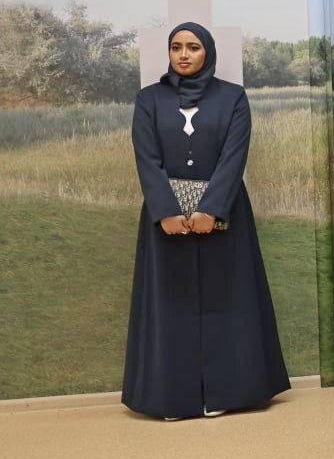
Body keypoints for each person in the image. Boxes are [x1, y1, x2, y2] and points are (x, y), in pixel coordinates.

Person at [123, 22, 290, 420]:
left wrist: (211, 209)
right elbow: (146, 158)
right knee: (171, 303)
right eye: (176, 47)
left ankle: (227, 393)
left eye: (193, 47)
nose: (184, 54)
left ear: (208, 52)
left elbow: (234, 156)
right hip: (166, 220)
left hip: (224, 212)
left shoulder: (233, 98)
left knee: (226, 299)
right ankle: (173, 398)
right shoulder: (148, 99)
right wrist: (166, 211)